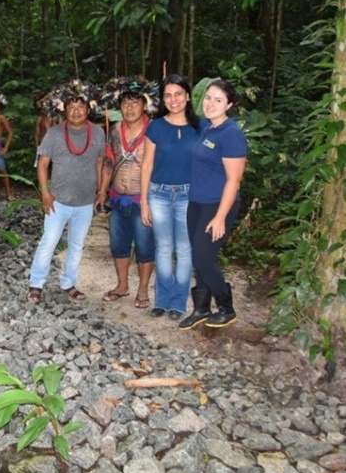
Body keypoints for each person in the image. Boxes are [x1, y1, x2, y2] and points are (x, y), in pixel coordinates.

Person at [27, 80, 105, 303]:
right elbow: (42, 164)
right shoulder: (53, 133)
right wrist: (44, 193)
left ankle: (68, 283)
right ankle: (36, 283)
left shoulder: (98, 132)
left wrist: (100, 192)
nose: (76, 111)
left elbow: (100, 162)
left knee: (77, 246)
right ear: (64, 110)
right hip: (57, 201)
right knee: (48, 242)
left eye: (81, 106)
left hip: (85, 202)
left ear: (89, 109)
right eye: (71, 107)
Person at [180, 79, 247, 329]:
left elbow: (234, 180)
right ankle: (201, 309)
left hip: (218, 205)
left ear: (229, 104)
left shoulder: (231, 134)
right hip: (197, 202)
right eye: (208, 97)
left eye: (218, 100)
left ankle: (227, 308)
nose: (210, 103)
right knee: (200, 258)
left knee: (204, 259)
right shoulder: (208, 127)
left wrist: (220, 217)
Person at [140, 74, 201, 320]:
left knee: (185, 249)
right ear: (162, 99)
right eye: (168, 95)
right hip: (159, 194)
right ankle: (161, 300)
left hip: (188, 194)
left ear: (187, 96)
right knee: (163, 247)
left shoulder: (201, 128)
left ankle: (178, 303)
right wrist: (143, 202)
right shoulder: (155, 126)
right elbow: (146, 165)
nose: (173, 99)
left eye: (178, 94)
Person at [97, 81, 156, 309]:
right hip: (117, 198)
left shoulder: (155, 131)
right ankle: (122, 286)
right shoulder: (114, 130)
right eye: (125, 103)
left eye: (135, 103)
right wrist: (102, 192)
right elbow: (109, 163)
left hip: (143, 200)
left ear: (144, 105)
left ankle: (142, 290)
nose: (129, 108)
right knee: (118, 244)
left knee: (144, 246)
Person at [33, 92, 60, 167]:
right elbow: (37, 134)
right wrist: (37, 148)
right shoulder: (40, 118)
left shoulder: (56, 117)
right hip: (44, 144)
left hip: (57, 144)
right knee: (44, 166)